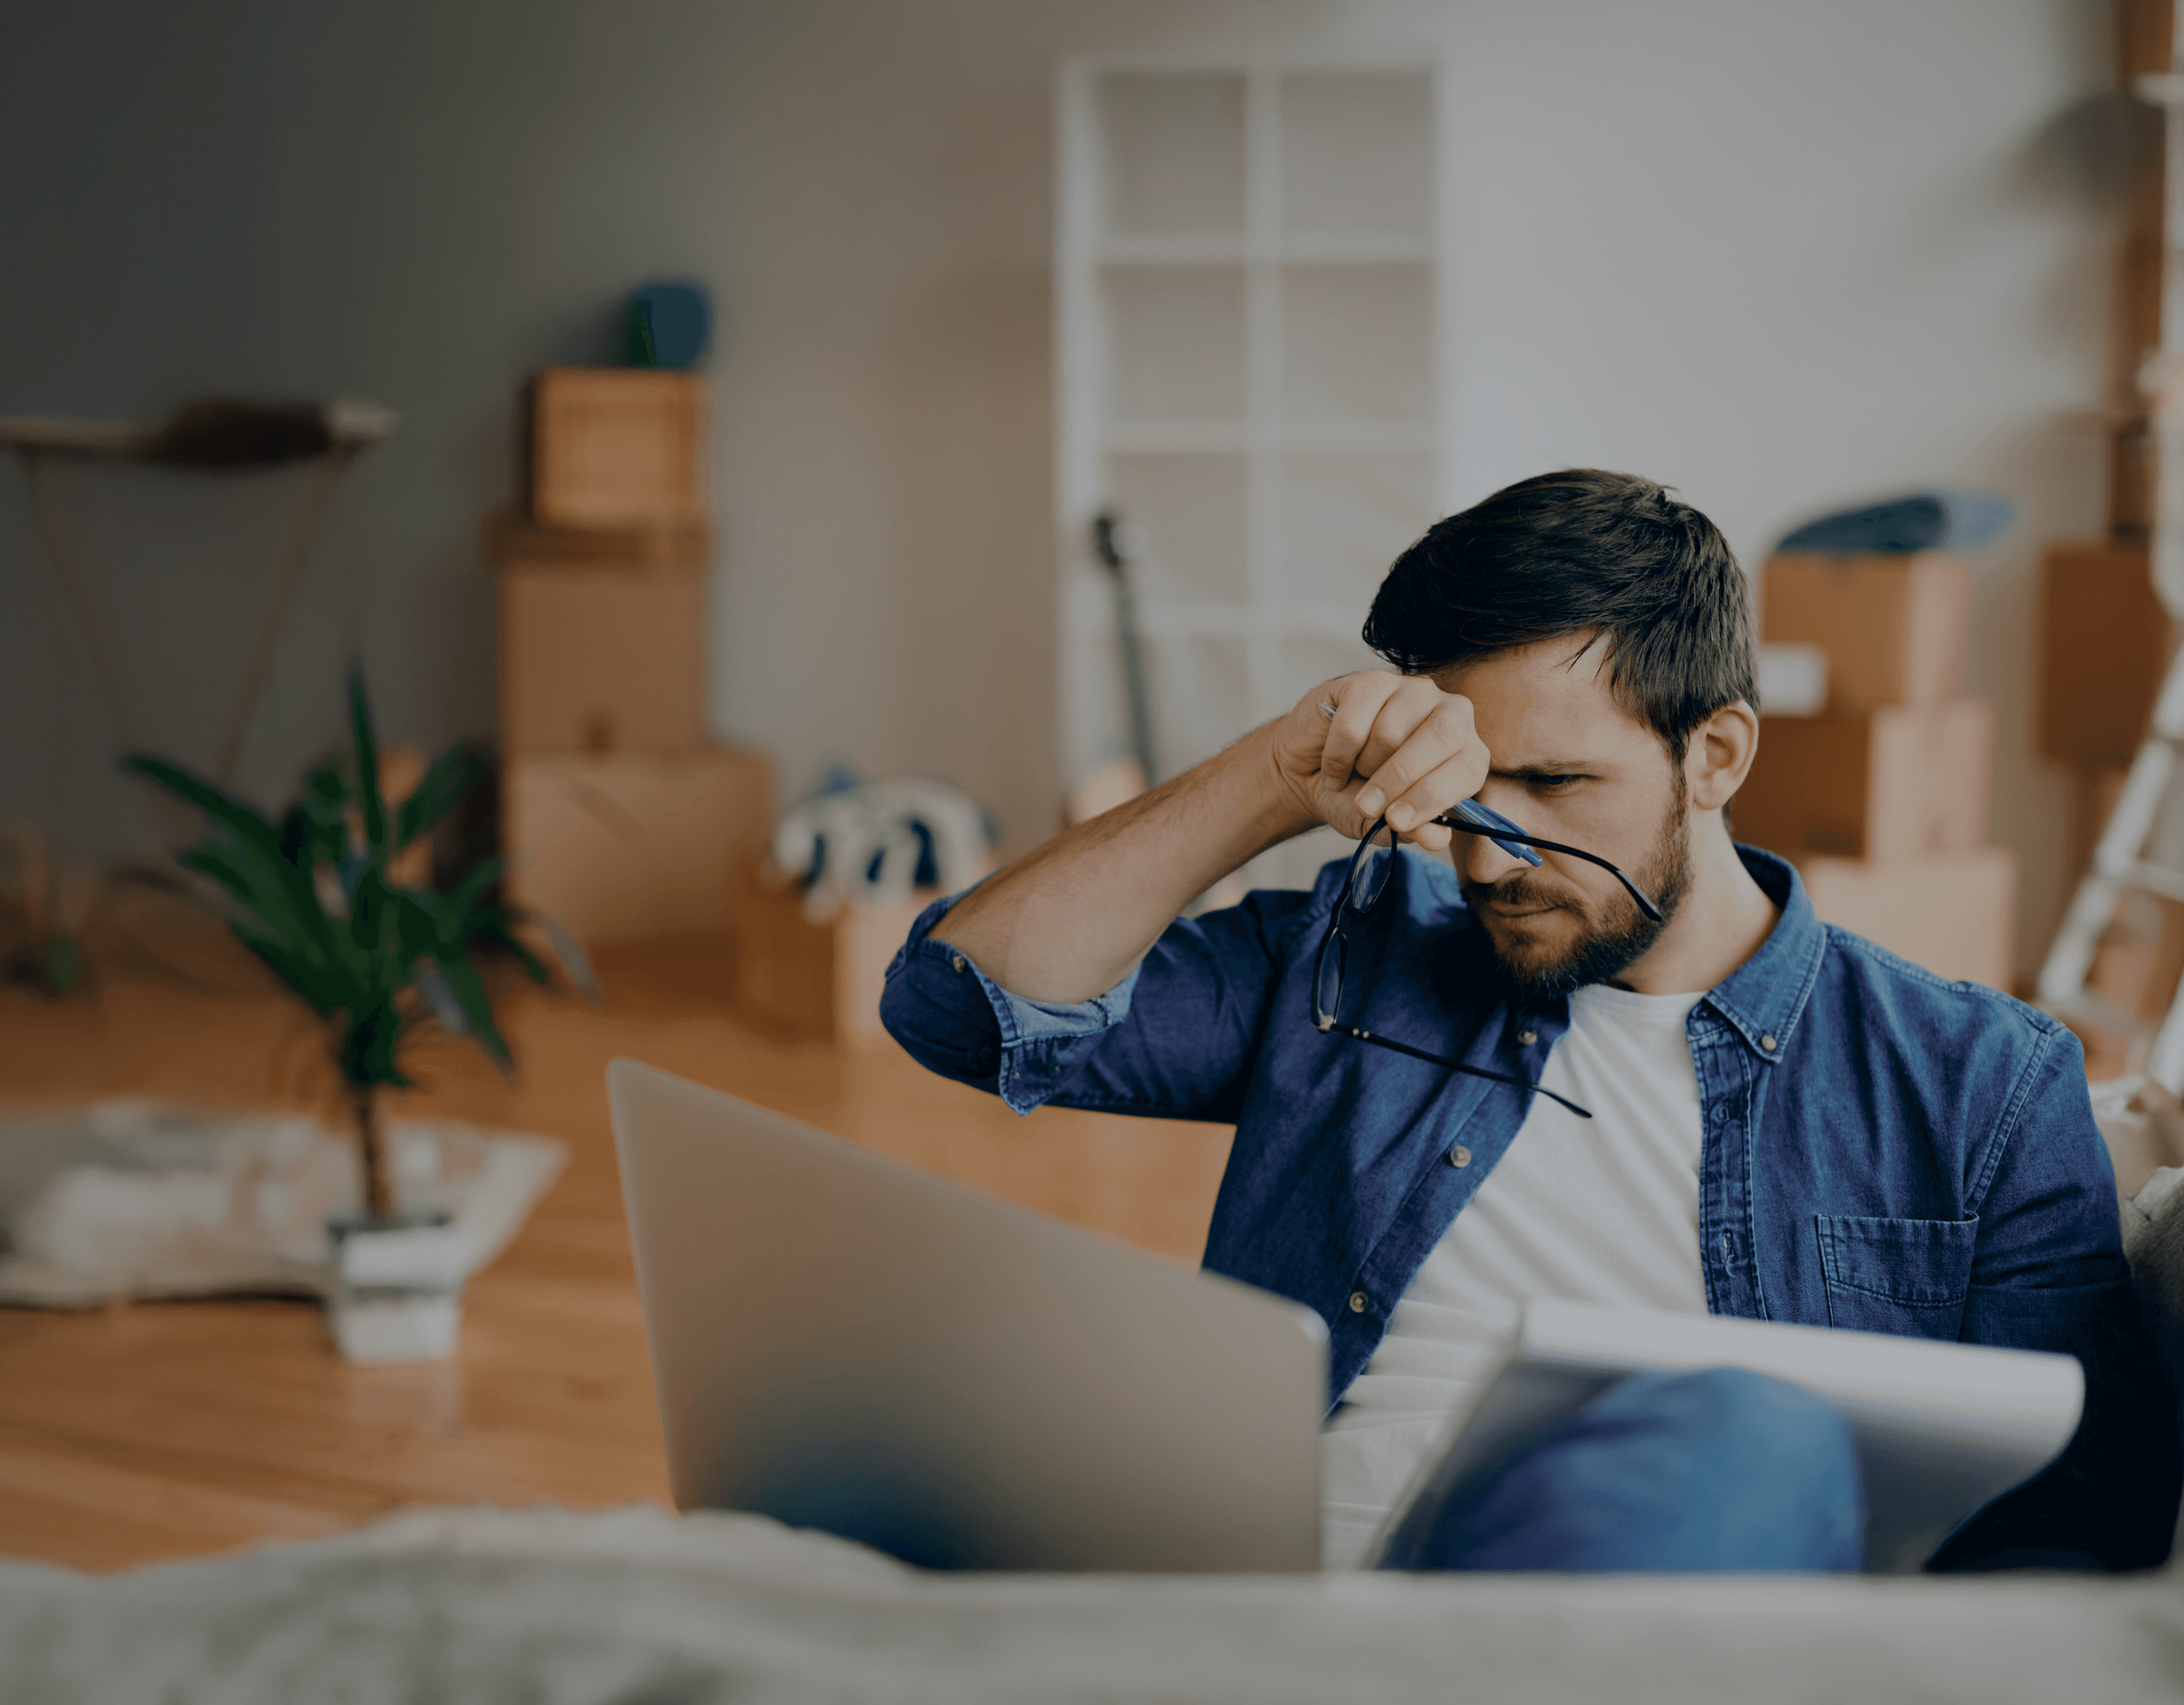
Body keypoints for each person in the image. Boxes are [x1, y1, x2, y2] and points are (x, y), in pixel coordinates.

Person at [883, 469, 2179, 1573]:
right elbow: (957, 1003)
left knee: (1754, 1434)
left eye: (1555, 782)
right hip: (1274, 1610)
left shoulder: (1978, 1082)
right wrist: (1273, 775)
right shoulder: (1355, 959)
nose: (1490, 857)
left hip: (1630, 1642)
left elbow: (2074, 1527)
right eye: (1465, 794)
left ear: (1716, 755)